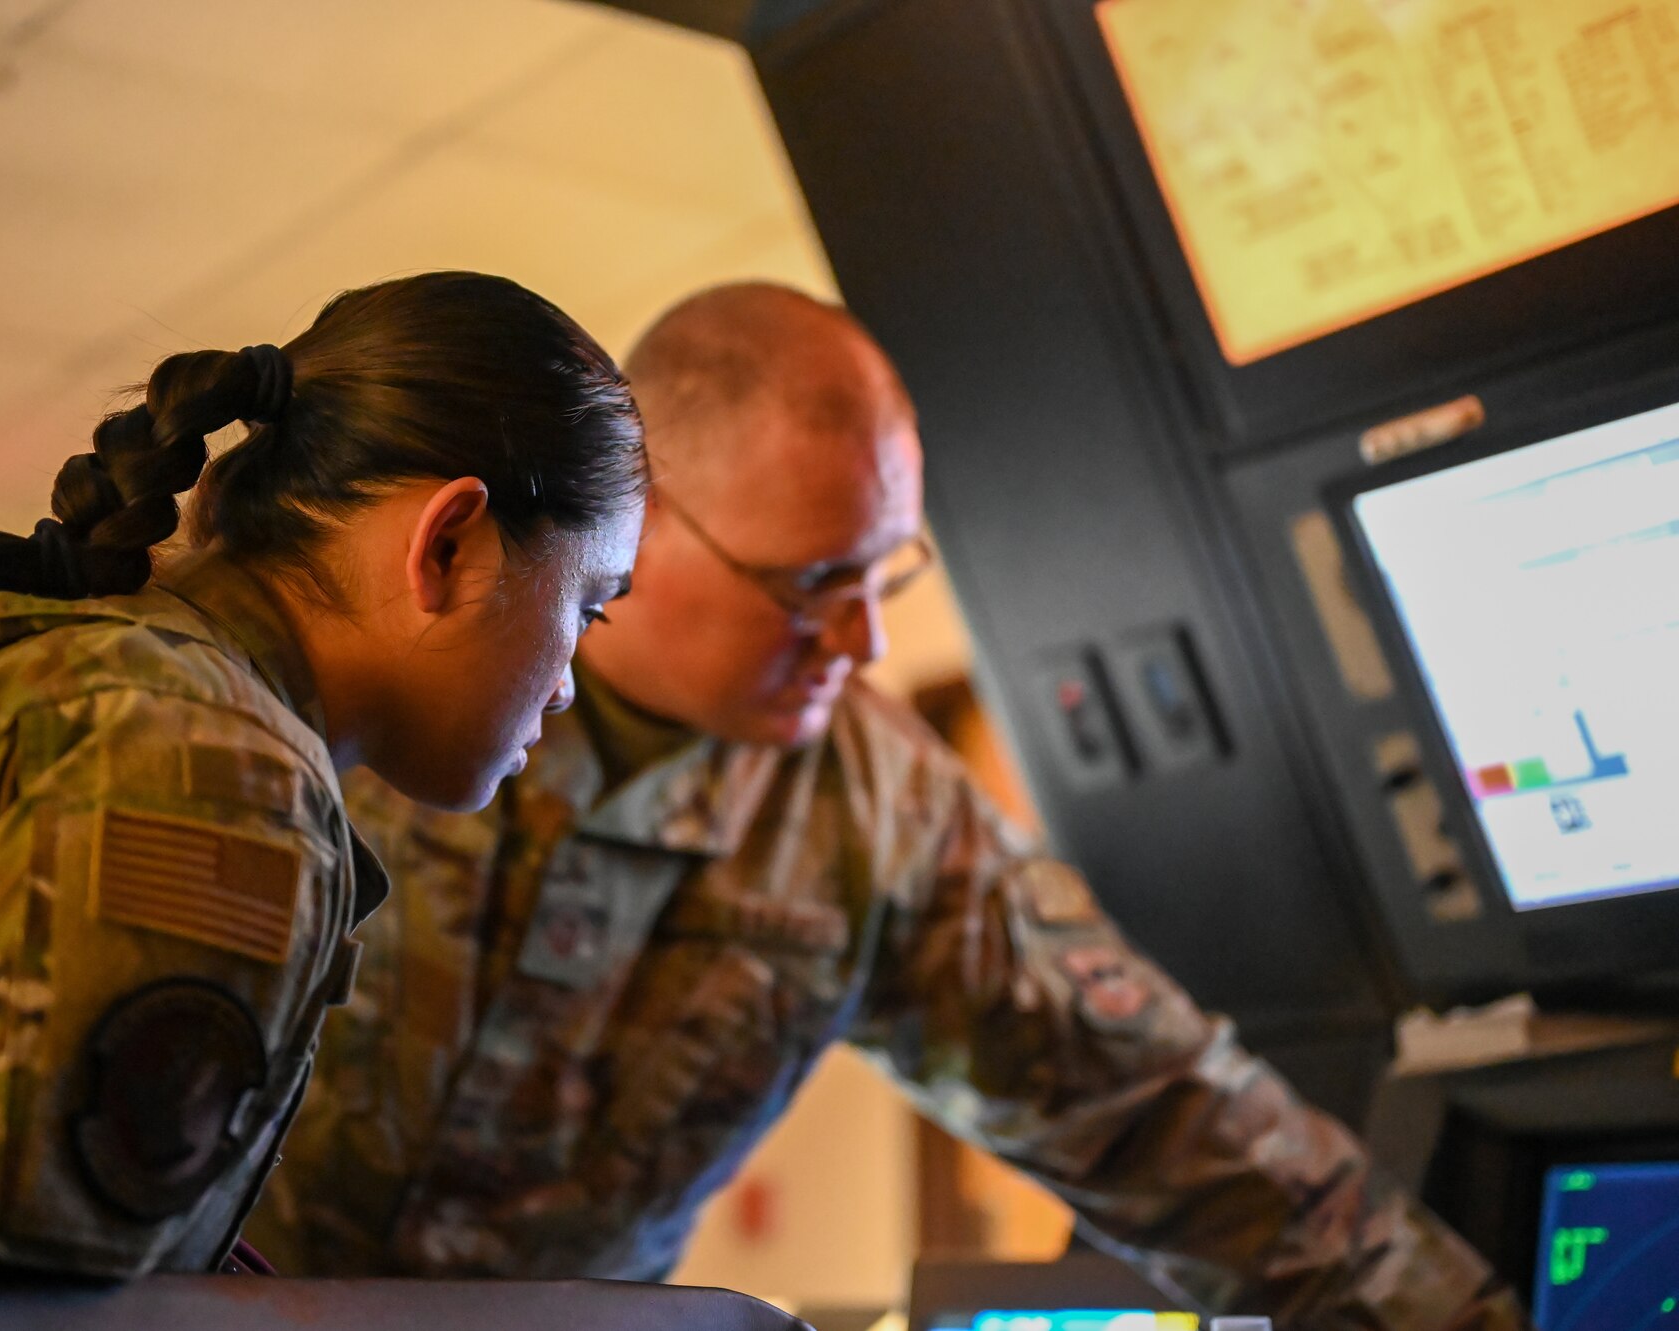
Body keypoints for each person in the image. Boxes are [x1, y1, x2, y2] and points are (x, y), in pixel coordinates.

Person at [245, 283, 1532, 1329]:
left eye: (886, 572)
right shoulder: (365, 672)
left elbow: (1162, 1116)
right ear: (648, 515)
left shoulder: (877, 811)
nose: (859, 641)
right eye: (810, 581)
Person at [0, 271, 645, 1331]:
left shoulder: (74, 665)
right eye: (588, 607)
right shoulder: (208, 770)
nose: (563, 683)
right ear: (447, 542)